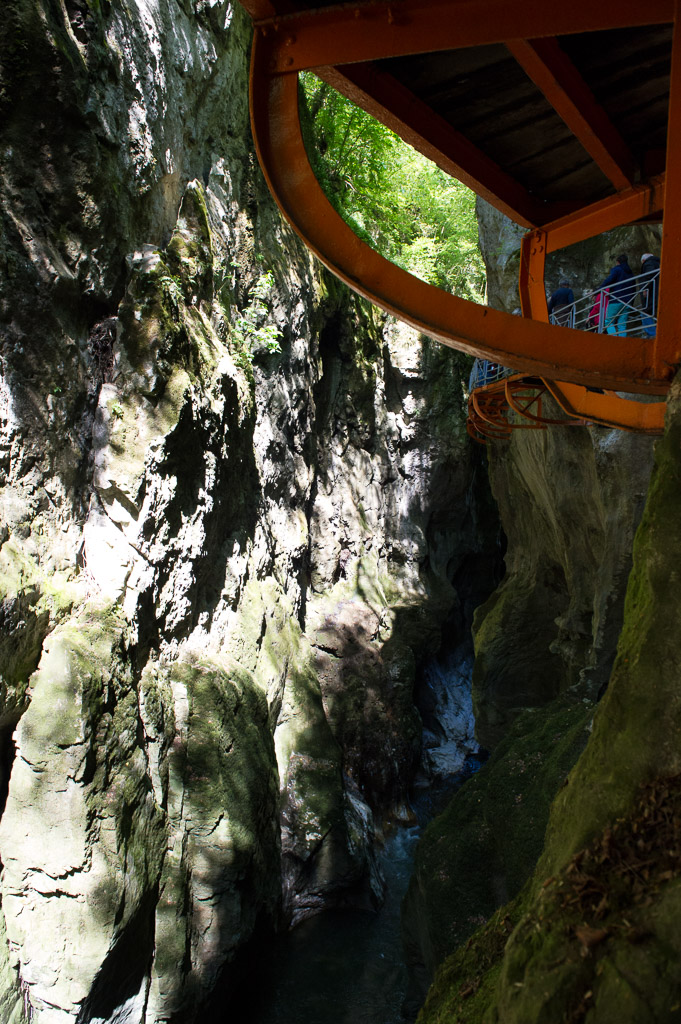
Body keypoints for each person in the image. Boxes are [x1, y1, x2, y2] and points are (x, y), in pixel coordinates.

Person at [600, 254, 634, 336]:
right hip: (627, 301)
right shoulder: (630, 273)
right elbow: (633, 288)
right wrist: (631, 302)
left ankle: (614, 340)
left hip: (616, 299)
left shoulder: (617, 269)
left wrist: (597, 290)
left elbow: (609, 280)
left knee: (609, 321)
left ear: (618, 262)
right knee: (622, 324)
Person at [639, 252, 660, 337]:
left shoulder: (649, 263)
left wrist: (645, 288)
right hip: (656, 293)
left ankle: (652, 335)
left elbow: (649, 275)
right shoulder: (658, 263)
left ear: (644, 260)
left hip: (652, 294)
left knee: (645, 313)